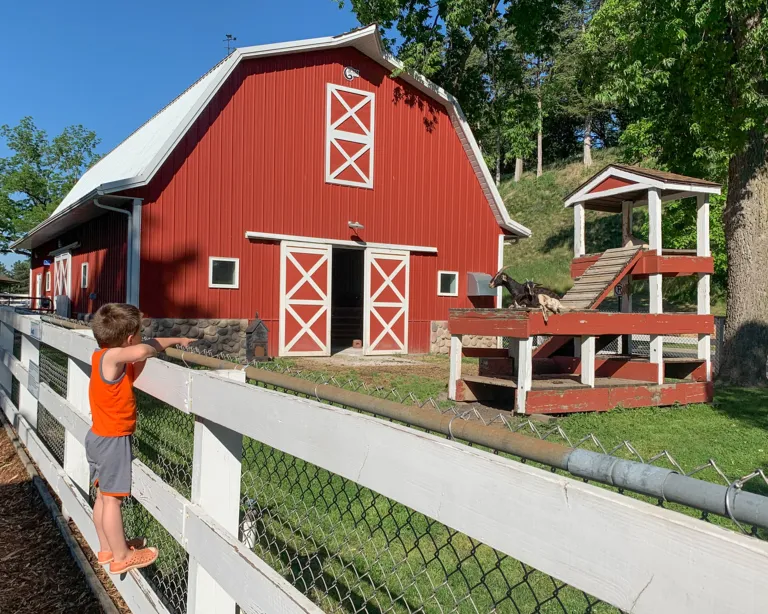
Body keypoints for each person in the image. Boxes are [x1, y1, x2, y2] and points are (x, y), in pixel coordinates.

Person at [86, 303, 194, 575]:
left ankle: (108, 548)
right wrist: (148, 347)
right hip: (112, 441)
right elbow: (144, 350)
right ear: (129, 339)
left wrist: (177, 340)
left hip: (99, 436)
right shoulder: (112, 358)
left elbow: (147, 345)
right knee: (112, 500)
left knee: (103, 497)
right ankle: (122, 556)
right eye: (139, 332)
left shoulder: (100, 355)